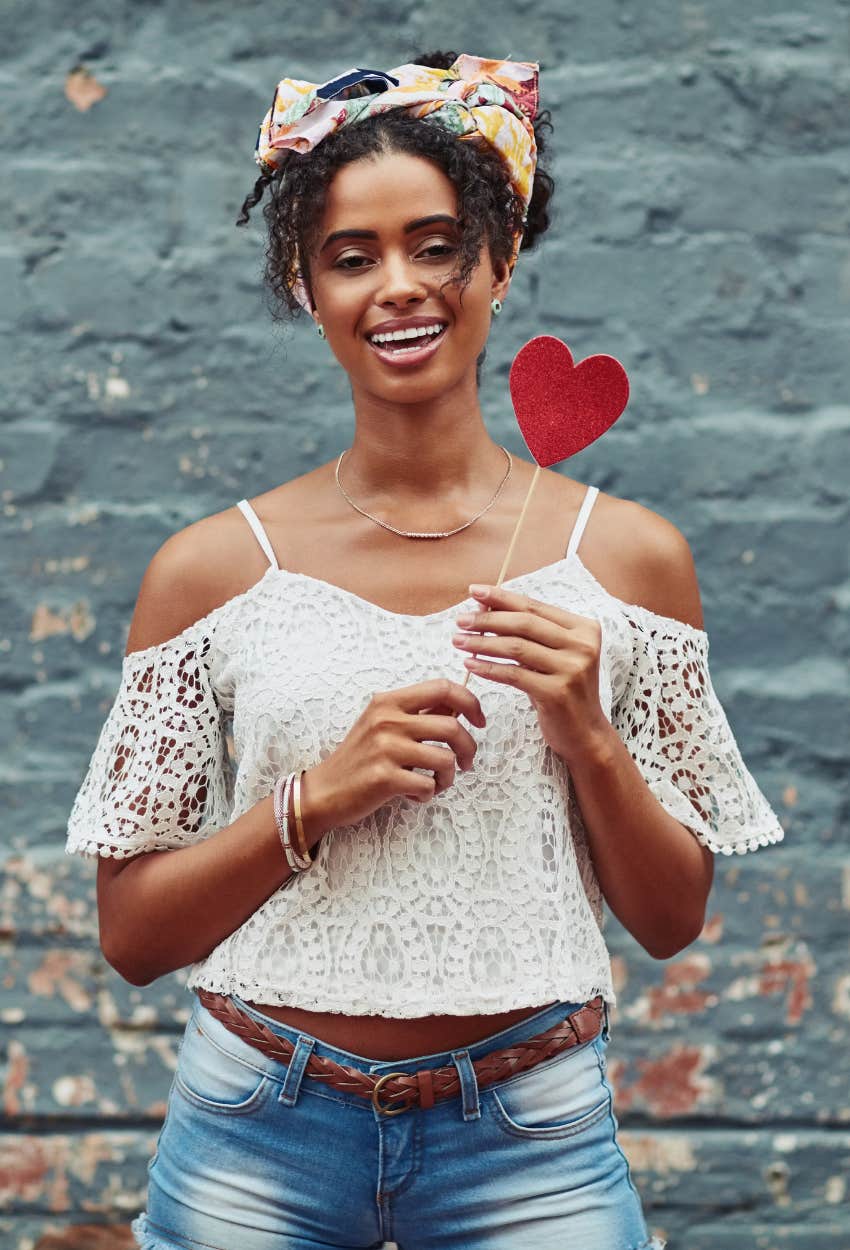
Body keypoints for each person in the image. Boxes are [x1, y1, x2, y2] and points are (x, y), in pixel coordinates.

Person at [65, 49, 785, 1250]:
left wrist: (586, 730)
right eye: (352, 257)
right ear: (308, 288)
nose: (398, 286)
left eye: (436, 244)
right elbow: (134, 936)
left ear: (498, 262)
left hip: (533, 1137)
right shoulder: (208, 569)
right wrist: (314, 797)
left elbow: (669, 920)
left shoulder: (631, 561)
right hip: (257, 1126)